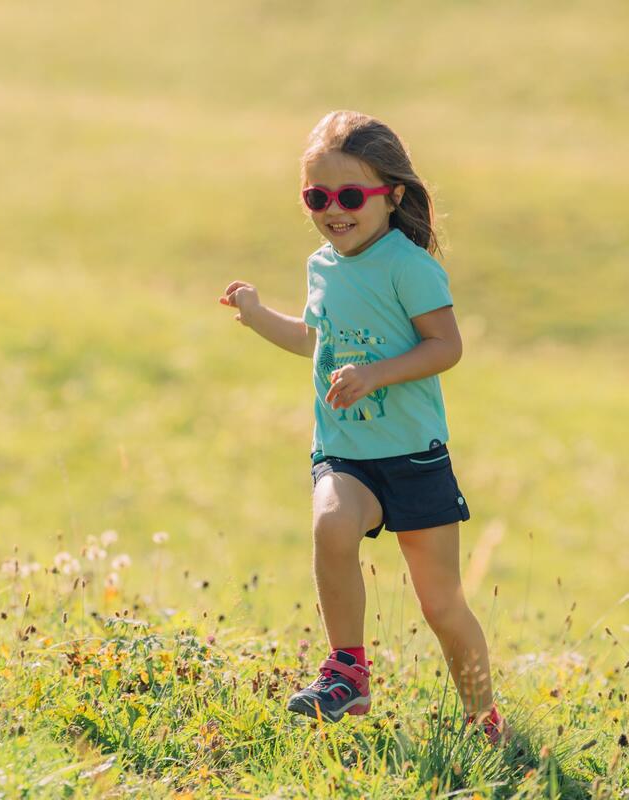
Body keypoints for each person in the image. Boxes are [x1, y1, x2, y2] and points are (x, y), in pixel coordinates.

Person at [218, 111, 508, 745]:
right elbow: (313, 340)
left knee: (441, 606)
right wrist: (257, 313)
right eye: (316, 197)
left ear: (393, 196)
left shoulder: (408, 266)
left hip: (414, 459)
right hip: (347, 452)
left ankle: (483, 717)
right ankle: (348, 671)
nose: (333, 210)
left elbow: (445, 347)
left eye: (350, 196)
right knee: (330, 523)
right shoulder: (322, 265)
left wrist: (375, 375)